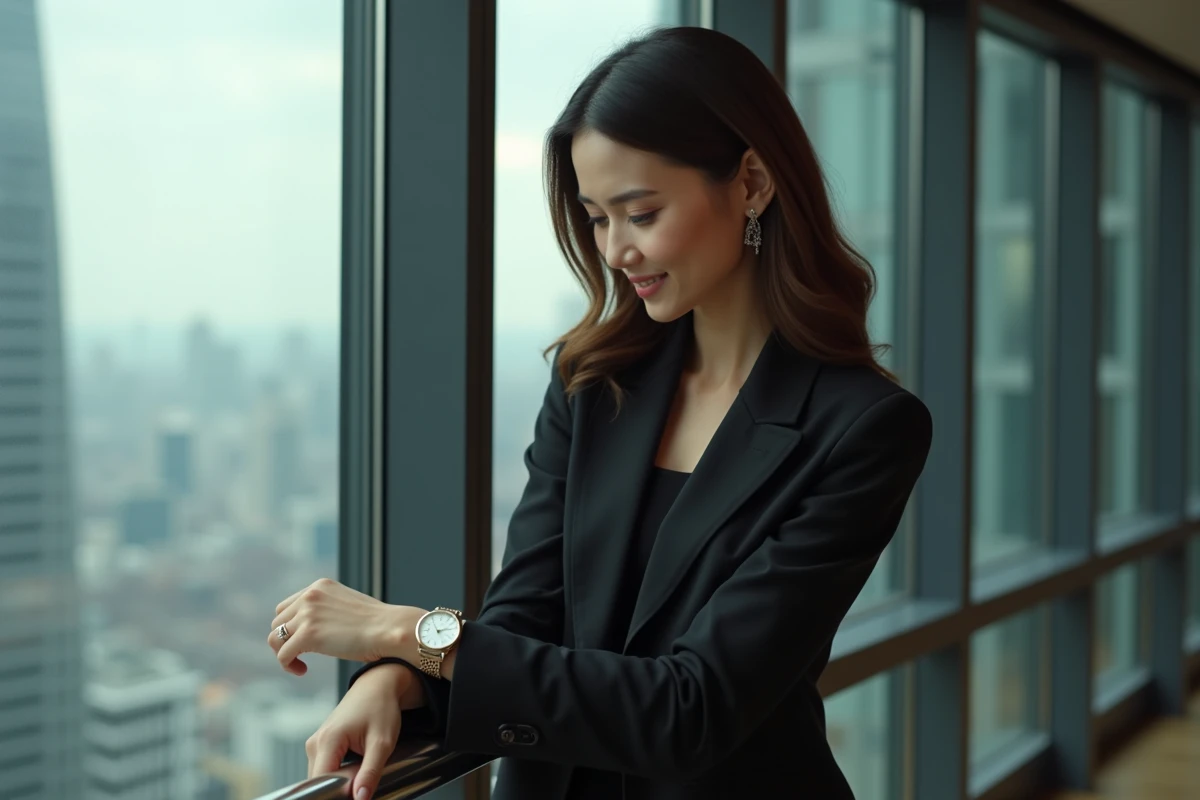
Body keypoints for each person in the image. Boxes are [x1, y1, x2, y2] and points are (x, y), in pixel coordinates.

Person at [266, 25, 932, 800]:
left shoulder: (864, 428)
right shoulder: (594, 383)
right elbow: (527, 614)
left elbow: (691, 709)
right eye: (595, 217)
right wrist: (402, 678)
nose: (615, 251)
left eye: (640, 213)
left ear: (751, 183)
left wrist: (407, 632)